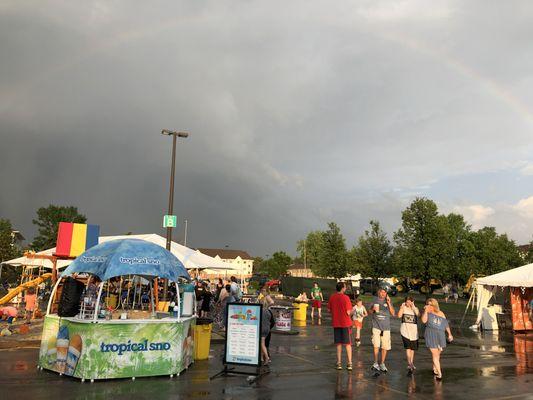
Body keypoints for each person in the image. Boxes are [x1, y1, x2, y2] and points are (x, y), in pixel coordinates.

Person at [421, 298, 453, 380]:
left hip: (440, 335)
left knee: (438, 354)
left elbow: (446, 325)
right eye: (427, 304)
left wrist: (449, 334)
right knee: (435, 354)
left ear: (435, 305)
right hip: (431, 335)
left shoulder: (441, 313)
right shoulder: (427, 313)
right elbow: (424, 321)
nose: (428, 306)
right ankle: (439, 373)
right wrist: (425, 311)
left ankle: (434, 368)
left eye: (430, 305)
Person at [328, 282, 353, 371]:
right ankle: (349, 363)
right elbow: (348, 312)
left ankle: (339, 363)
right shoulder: (346, 298)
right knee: (348, 344)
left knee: (338, 344)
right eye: (345, 287)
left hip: (336, 323)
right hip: (345, 323)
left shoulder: (332, 297)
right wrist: (353, 311)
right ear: (342, 288)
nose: (345, 288)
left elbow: (329, 310)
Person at [370, 288, 395, 372]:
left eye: (385, 292)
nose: (383, 293)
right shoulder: (374, 300)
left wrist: (388, 303)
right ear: (378, 292)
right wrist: (373, 309)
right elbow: (369, 312)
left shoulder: (388, 302)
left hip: (386, 328)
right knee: (376, 345)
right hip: (376, 326)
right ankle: (375, 362)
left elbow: (393, 313)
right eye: (382, 292)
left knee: (385, 346)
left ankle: (382, 363)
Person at [397, 296, 420, 373]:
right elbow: (399, 315)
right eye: (407, 301)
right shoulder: (403, 308)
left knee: (412, 349)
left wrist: (413, 307)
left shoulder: (415, 309)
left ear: (412, 302)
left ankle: (412, 362)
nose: (408, 303)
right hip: (405, 331)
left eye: (410, 301)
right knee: (408, 348)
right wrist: (401, 307)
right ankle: (409, 363)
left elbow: (418, 314)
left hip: (414, 332)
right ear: (405, 302)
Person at [260, 293, 275, 365]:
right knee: (263, 344)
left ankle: (266, 358)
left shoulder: (260, 311)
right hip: (267, 330)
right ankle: (261, 358)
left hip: (262, 329)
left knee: (262, 344)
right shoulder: (269, 311)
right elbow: (272, 321)